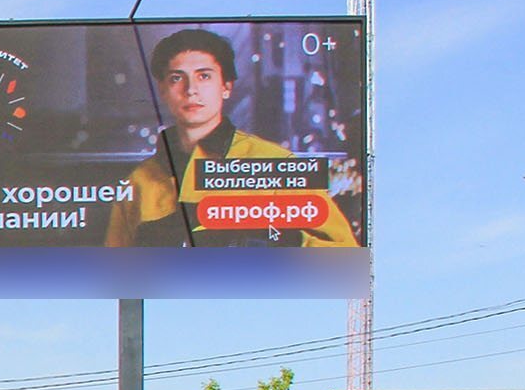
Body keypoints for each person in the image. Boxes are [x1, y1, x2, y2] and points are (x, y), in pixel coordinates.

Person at [103, 28, 361, 249]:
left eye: (204, 76)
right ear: (163, 90)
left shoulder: (275, 164)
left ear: (226, 87)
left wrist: (272, 237)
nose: (191, 90)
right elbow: (110, 278)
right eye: (176, 78)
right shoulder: (138, 182)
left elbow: (346, 259)